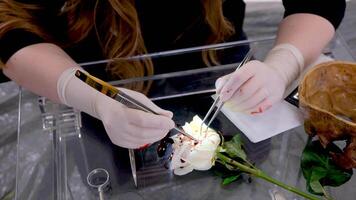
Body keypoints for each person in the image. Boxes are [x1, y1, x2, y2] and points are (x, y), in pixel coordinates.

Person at [0, 0, 346, 148]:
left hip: (227, 75)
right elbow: (9, 28)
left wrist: (283, 64)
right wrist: (94, 98)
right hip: (105, 93)